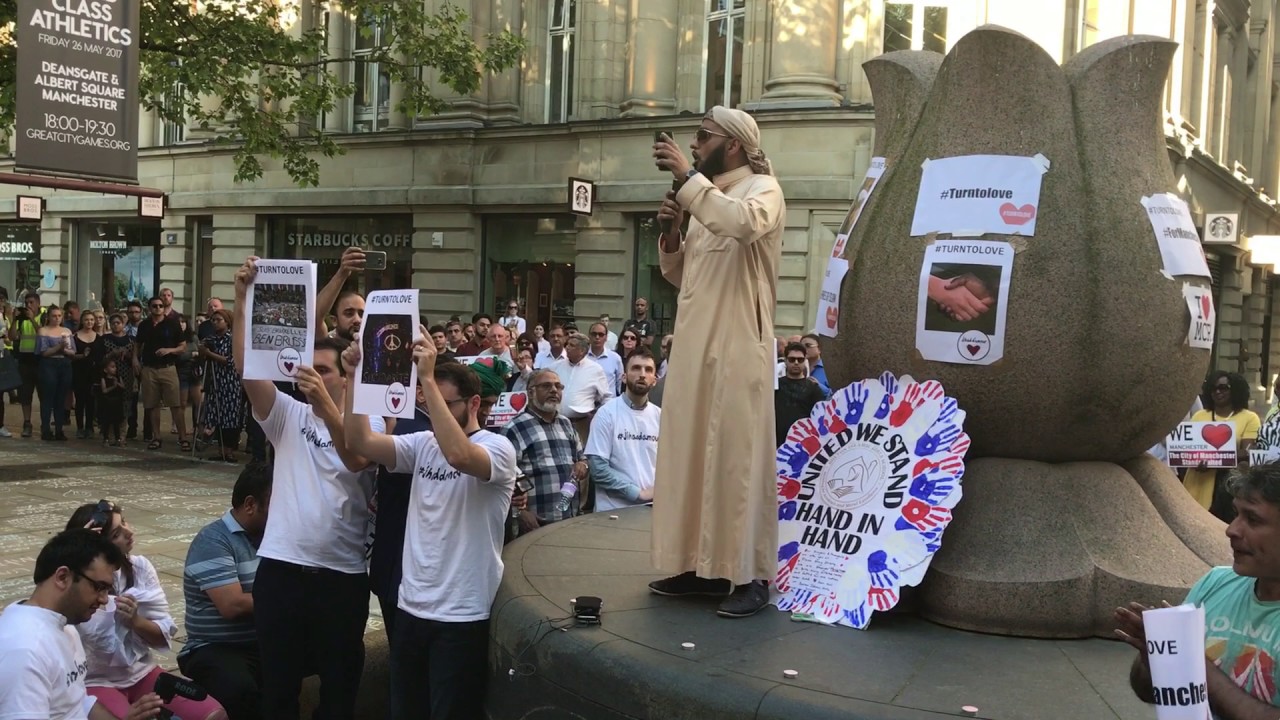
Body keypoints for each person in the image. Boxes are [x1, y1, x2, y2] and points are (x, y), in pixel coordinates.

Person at [649, 105, 785, 618]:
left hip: (737, 346)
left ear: (731, 144)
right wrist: (671, 237)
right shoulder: (706, 200)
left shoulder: (761, 190)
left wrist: (687, 180)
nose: (694, 144)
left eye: (702, 137)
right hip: (694, 349)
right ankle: (696, 567)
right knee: (688, 455)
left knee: (737, 459)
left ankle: (750, 575)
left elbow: (743, 226)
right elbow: (689, 277)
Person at [232, 256, 382, 718]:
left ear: (345, 377)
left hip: (341, 576)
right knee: (278, 686)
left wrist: (328, 408)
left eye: (324, 370)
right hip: (281, 570)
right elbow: (249, 368)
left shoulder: (371, 422)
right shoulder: (287, 415)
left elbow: (356, 457)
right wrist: (242, 301)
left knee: (338, 686)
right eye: (307, 368)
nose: (311, 376)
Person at [343, 336, 517, 720]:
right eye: (426, 398)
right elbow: (358, 441)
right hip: (411, 605)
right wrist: (353, 377)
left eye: (443, 400)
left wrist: (425, 376)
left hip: (461, 614)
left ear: (474, 404)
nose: (431, 407)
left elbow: (459, 455)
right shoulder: (421, 444)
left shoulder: (498, 449)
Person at [1116, 462, 1280, 719]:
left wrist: (1192, 662)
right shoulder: (1215, 583)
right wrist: (1158, 655)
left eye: (1253, 519)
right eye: (1236, 514)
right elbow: (1146, 690)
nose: (1232, 530)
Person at [63, 503, 226, 720]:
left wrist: (136, 621)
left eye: (125, 523)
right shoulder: (74, 582)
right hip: (95, 681)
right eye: (117, 534)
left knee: (214, 715)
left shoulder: (140, 568)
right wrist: (76, 553)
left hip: (141, 672)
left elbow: (164, 632)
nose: (129, 533)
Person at [0, 529, 164, 720]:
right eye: (99, 587)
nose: (104, 599)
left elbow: (79, 703)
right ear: (62, 577)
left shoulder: (65, 625)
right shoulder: (25, 650)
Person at [180, 462, 273, 720]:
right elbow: (232, 605)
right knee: (239, 687)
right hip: (214, 647)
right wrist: (286, 599)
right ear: (250, 504)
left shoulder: (274, 537)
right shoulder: (213, 540)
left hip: (261, 641)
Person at [503, 369, 586, 533]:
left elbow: (581, 458)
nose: (554, 390)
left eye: (558, 386)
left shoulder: (566, 424)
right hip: (535, 523)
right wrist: (520, 513)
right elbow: (507, 476)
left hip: (569, 519)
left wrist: (583, 465)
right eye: (546, 386)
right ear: (531, 392)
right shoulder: (514, 428)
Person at [586, 347, 661, 511]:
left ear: (654, 380)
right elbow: (598, 469)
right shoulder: (606, 414)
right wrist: (637, 494)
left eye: (648, 370)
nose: (642, 374)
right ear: (624, 377)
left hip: (653, 511)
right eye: (636, 368)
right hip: (613, 512)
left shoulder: (661, 417)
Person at [1184, 371, 1261, 520]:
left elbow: (1246, 453)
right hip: (1197, 482)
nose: (1217, 391)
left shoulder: (1249, 418)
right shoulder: (1200, 416)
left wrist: (1212, 460)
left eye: (1223, 387)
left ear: (1235, 389)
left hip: (1227, 486)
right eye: (1213, 388)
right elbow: (1188, 450)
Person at [135, 296, 188, 451]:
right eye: (154, 306)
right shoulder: (144, 325)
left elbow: (183, 347)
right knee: (152, 405)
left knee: (175, 404)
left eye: (160, 306)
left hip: (168, 367)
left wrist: (169, 350)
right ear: (149, 308)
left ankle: (183, 437)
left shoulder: (172, 324)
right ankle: (156, 437)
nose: (158, 308)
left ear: (164, 308)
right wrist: (135, 360)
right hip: (149, 368)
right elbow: (138, 344)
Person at [198, 310, 244, 463]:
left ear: (227, 322)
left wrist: (210, 354)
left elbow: (230, 361)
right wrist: (202, 352)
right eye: (213, 320)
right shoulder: (210, 339)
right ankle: (219, 449)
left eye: (219, 320)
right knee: (217, 415)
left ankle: (229, 451)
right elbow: (202, 355)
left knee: (230, 418)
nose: (215, 322)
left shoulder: (232, 340)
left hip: (230, 383)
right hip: (215, 382)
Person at [775, 342, 827, 447]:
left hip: (804, 443)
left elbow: (821, 417)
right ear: (785, 360)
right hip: (777, 441)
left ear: (805, 361)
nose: (796, 362)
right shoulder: (775, 386)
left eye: (800, 359)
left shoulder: (814, 388)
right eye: (791, 359)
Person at [37, 304, 75, 442]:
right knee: (48, 398)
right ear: (48, 317)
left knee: (61, 398)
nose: (57, 318)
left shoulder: (66, 331)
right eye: (54, 315)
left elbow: (72, 351)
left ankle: (59, 429)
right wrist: (59, 346)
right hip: (49, 365)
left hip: (64, 365)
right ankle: (46, 429)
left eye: (59, 316)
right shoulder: (43, 331)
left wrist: (65, 350)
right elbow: (44, 352)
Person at [9, 291, 44, 438]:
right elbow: (12, 337)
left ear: (38, 303)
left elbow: (43, 334)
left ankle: (45, 423)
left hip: (40, 360)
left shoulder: (44, 316)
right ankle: (27, 423)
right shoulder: (22, 319)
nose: (28, 306)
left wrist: (33, 321)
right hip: (25, 360)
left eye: (31, 303)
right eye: (27, 303)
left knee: (43, 394)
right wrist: (14, 320)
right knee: (25, 394)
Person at [100, 314, 138, 443]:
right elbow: (101, 359)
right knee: (110, 406)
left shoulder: (131, 340)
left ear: (123, 324)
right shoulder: (105, 339)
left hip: (126, 375)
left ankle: (122, 435)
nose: (116, 325)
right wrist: (112, 354)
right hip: (110, 376)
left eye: (118, 323)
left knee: (125, 405)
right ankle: (109, 435)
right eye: (113, 323)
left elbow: (135, 359)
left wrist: (127, 354)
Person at [71, 312, 101, 439]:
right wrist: (82, 356)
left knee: (91, 400)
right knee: (80, 400)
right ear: (82, 321)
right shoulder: (75, 336)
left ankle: (89, 427)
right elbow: (71, 355)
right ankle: (79, 427)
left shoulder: (98, 337)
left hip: (93, 372)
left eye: (91, 320)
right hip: (79, 371)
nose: (89, 322)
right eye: (86, 320)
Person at [98, 359, 126, 447]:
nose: (115, 369)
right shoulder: (104, 379)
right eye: (112, 367)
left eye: (115, 367)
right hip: (108, 402)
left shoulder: (118, 377)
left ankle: (118, 438)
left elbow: (123, 387)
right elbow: (104, 390)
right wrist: (113, 387)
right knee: (106, 422)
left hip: (117, 402)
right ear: (106, 370)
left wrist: (117, 383)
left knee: (116, 422)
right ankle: (106, 438)